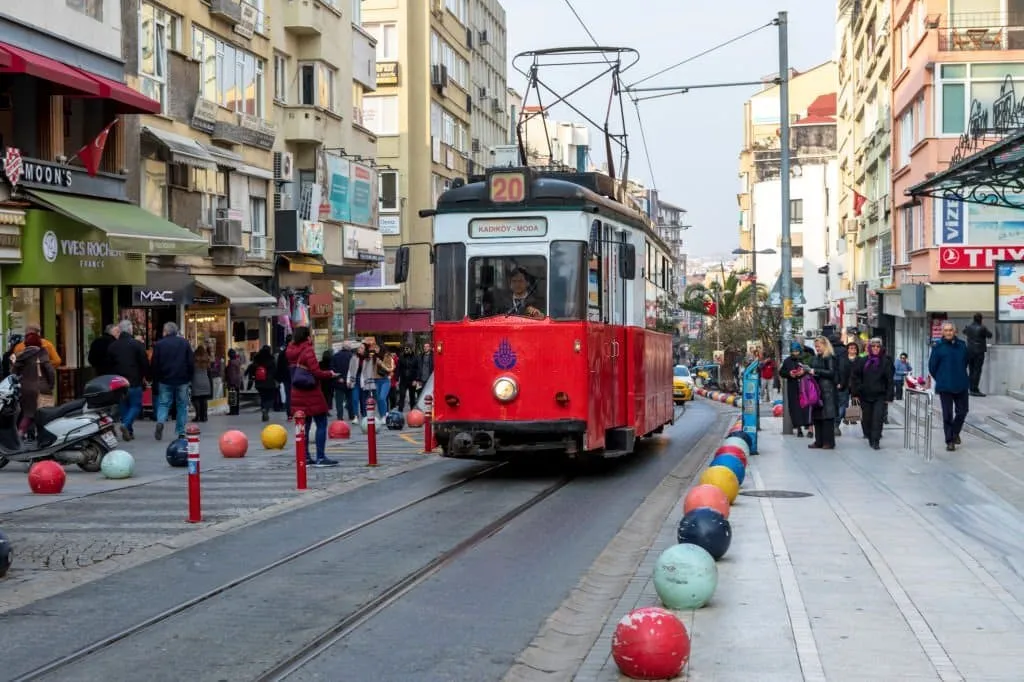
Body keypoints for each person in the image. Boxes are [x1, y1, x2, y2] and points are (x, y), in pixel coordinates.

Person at [286, 326, 338, 467]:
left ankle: (305, 456)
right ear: (307, 337)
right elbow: (316, 372)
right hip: (311, 393)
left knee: (305, 426)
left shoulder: (290, 351)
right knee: (321, 423)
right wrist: (330, 374)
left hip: (297, 392)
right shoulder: (308, 350)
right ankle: (321, 457)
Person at [929, 321, 970, 452]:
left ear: (955, 331)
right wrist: (941, 378)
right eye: (946, 330)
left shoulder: (962, 346)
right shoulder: (938, 347)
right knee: (947, 414)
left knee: (962, 411)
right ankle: (950, 440)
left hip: (961, 384)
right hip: (945, 386)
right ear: (942, 332)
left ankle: (955, 432)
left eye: (950, 330)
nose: (948, 333)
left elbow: (966, 362)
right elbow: (932, 367)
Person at [151, 321, 194, 441]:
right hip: (182, 379)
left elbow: (155, 363)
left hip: (165, 380)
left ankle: (160, 421)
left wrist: (155, 378)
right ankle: (180, 431)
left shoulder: (159, 344)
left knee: (164, 404)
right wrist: (189, 377)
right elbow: (190, 362)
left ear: (165, 331)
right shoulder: (184, 343)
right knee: (181, 405)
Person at [107, 319, 149, 441]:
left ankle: (129, 431)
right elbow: (144, 363)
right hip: (134, 381)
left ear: (119, 330)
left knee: (124, 406)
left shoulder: (113, 346)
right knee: (136, 405)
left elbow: (109, 365)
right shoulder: (137, 345)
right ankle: (126, 426)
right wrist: (146, 376)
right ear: (130, 330)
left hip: (118, 382)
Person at [850, 337, 894, 450]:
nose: (875, 348)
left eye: (878, 346)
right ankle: (869, 436)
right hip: (865, 395)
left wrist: (889, 396)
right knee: (867, 419)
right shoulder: (862, 361)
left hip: (880, 395)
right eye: (873, 346)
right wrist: (856, 391)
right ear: (869, 347)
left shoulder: (886, 361)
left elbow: (889, 380)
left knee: (878, 418)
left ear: (881, 348)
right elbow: (855, 377)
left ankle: (876, 440)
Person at [13, 332, 54, 439]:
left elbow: (13, 373)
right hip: (42, 388)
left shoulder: (21, 355)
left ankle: (20, 434)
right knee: (45, 414)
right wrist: (50, 384)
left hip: (25, 389)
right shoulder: (42, 352)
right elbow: (50, 370)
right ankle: (43, 437)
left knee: (28, 414)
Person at [806, 336, 838, 450]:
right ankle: (819, 441)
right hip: (816, 390)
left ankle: (828, 442)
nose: (817, 348)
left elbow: (831, 372)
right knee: (817, 416)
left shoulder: (829, 357)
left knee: (827, 417)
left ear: (825, 345)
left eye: (819, 346)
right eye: (816, 346)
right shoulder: (815, 358)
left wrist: (816, 371)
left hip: (827, 390)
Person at [780, 342, 813, 438]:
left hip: (806, 386)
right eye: (793, 351)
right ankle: (799, 429)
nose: (795, 353)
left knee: (808, 407)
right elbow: (782, 372)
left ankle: (810, 429)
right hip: (793, 387)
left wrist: (804, 372)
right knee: (795, 408)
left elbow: (812, 370)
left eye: (797, 351)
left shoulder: (806, 359)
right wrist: (790, 373)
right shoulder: (787, 361)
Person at [962, 313, 992, 397]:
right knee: (977, 370)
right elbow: (990, 335)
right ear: (981, 319)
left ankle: (971, 388)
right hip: (979, 351)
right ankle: (974, 389)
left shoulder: (969, 327)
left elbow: (964, 331)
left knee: (971, 370)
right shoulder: (982, 328)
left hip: (970, 351)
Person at [835, 341, 860, 433]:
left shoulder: (860, 360)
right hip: (844, 384)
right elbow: (838, 371)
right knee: (843, 405)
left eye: (854, 348)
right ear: (847, 350)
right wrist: (838, 382)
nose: (853, 350)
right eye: (851, 348)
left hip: (855, 386)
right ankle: (836, 424)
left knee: (854, 403)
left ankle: (851, 418)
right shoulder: (842, 359)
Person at [247, 345, 277, 421]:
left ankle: (263, 408)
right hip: (269, 383)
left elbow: (252, 369)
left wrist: (251, 378)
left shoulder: (257, 359)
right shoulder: (271, 359)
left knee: (263, 397)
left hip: (259, 382)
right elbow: (275, 371)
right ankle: (266, 409)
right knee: (270, 398)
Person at [348, 343, 375, 418]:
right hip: (355, 380)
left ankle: (364, 415)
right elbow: (350, 369)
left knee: (363, 400)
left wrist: (370, 384)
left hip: (364, 381)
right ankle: (356, 416)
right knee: (355, 399)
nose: (359, 349)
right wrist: (348, 380)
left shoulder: (368, 359)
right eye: (359, 347)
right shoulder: (354, 357)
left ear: (365, 350)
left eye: (361, 348)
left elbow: (370, 372)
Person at [330, 343, 354, 420]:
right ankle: (351, 415)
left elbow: (332, 369)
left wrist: (339, 378)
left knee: (339, 401)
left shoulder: (335, 356)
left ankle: (340, 416)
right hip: (349, 381)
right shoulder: (352, 356)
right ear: (349, 348)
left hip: (338, 381)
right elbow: (353, 369)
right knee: (350, 399)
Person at [191, 345, 213, 422]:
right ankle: (205, 416)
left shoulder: (194, 359)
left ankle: (198, 416)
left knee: (196, 399)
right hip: (205, 380)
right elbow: (210, 370)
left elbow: (190, 369)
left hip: (196, 380)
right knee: (204, 400)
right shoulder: (207, 359)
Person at [397, 345, 421, 411]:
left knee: (412, 396)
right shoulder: (401, 357)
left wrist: (416, 379)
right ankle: (400, 410)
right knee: (402, 395)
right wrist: (397, 378)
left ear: (411, 349)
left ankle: (412, 410)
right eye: (405, 349)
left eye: (407, 349)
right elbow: (398, 368)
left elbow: (418, 369)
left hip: (412, 380)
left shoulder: (416, 357)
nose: (406, 350)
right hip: (403, 380)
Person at [225, 349, 243, 416]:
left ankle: (232, 411)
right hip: (237, 381)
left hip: (232, 382)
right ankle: (236, 410)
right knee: (237, 396)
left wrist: (231, 383)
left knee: (232, 396)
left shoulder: (231, 363)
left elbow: (231, 374)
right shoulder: (238, 361)